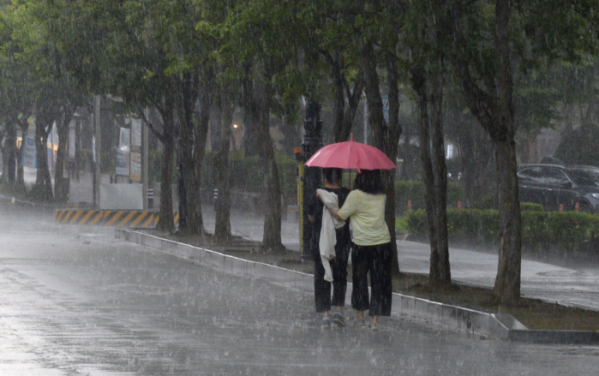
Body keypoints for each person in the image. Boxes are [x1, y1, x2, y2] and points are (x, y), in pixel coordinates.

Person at [327, 169, 392, 330]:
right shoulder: (382, 196)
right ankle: (375, 320)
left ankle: (360, 316)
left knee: (360, 280)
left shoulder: (354, 195)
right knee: (379, 281)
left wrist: (329, 207)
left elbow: (341, 215)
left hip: (361, 245)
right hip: (382, 243)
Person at [308, 168, 351, 329]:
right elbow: (349, 216)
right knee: (340, 275)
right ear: (340, 176)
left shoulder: (317, 194)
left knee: (322, 276)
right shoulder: (347, 195)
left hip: (321, 242)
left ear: (324, 175)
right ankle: (338, 311)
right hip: (341, 242)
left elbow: (311, 217)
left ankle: (325, 315)